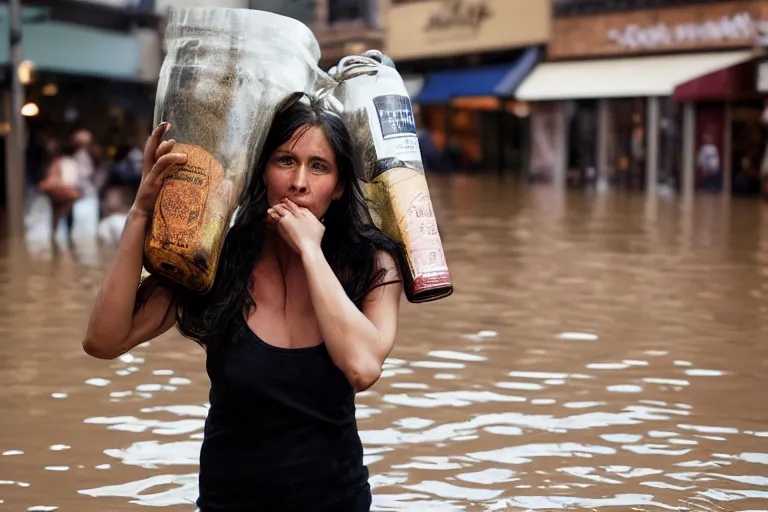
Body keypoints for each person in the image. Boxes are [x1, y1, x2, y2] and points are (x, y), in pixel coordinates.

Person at [82, 98, 404, 511]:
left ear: (339, 185)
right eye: (285, 160)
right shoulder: (217, 259)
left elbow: (362, 367)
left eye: (319, 166)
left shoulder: (373, 263)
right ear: (261, 171)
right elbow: (103, 342)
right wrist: (141, 211)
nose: (299, 182)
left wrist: (311, 252)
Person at [38, 143, 83, 243]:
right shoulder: (66, 163)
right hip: (63, 194)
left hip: (60, 194)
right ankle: (63, 240)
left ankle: (56, 241)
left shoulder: (59, 163)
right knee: (63, 220)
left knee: (57, 221)